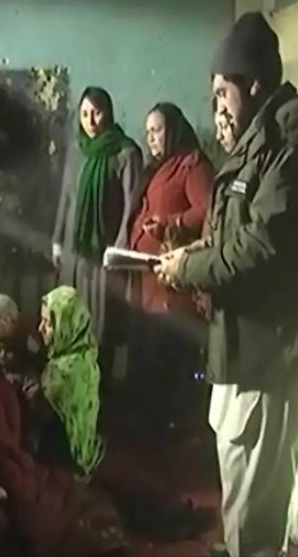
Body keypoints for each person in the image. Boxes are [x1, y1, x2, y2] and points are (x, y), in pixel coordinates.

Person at [154, 12, 298, 557]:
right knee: (240, 483)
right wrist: (196, 251)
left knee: (255, 500)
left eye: (223, 93)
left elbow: (264, 247)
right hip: (249, 347)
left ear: (255, 85)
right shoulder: (259, 144)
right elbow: (241, 231)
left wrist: (188, 269)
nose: (217, 108)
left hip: (273, 355)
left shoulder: (295, 147)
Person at [0, 294, 129, 557]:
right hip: (2, 447)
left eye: (47, 323)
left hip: (63, 453)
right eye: (13, 321)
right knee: (41, 491)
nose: (33, 328)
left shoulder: (59, 371)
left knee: (58, 490)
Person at [126, 103, 214, 435]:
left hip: (174, 290)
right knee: (150, 363)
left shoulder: (191, 164)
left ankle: (177, 436)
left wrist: (171, 223)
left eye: (157, 130)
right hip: (148, 287)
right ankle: (153, 429)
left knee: (171, 363)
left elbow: (208, 209)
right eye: (148, 131)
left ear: (174, 130)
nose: (151, 137)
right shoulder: (156, 169)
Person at [51, 86, 143, 388]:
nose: (91, 120)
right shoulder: (77, 151)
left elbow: (131, 206)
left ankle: (101, 396)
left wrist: (118, 251)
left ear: (109, 113)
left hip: (102, 256)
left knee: (100, 328)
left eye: (97, 112)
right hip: (74, 253)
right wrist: (57, 240)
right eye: (85, 113)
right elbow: (66, 198)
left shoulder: (125, 154)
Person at [23, 285, 105, 478]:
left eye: (48, 324)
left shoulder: (60, 374)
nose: (40, 329)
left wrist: (34, 396)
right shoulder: (86, 355)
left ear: (67, 326)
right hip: (84, 449)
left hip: (62, 463)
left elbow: (40, 417)